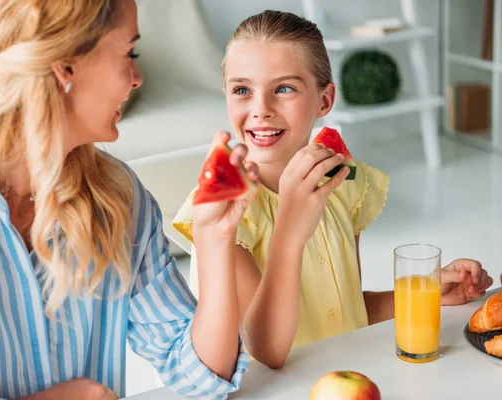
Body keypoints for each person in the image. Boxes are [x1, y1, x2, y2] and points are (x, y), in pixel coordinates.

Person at [0, 1, 257, 399]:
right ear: (64, 67)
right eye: (129, 53)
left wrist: (214, 238)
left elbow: (200, 379)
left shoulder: (119, 197)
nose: (136, 78)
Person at [173, 10, 494, 369]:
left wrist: (425, 295)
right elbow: (266, 349)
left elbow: (346, 312)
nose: (260, 109)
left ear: (325, 101)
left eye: (284, 89)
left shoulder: (344, 184)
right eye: (242, 90)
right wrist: (290, 228)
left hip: (346, 376)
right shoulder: (220, 210)